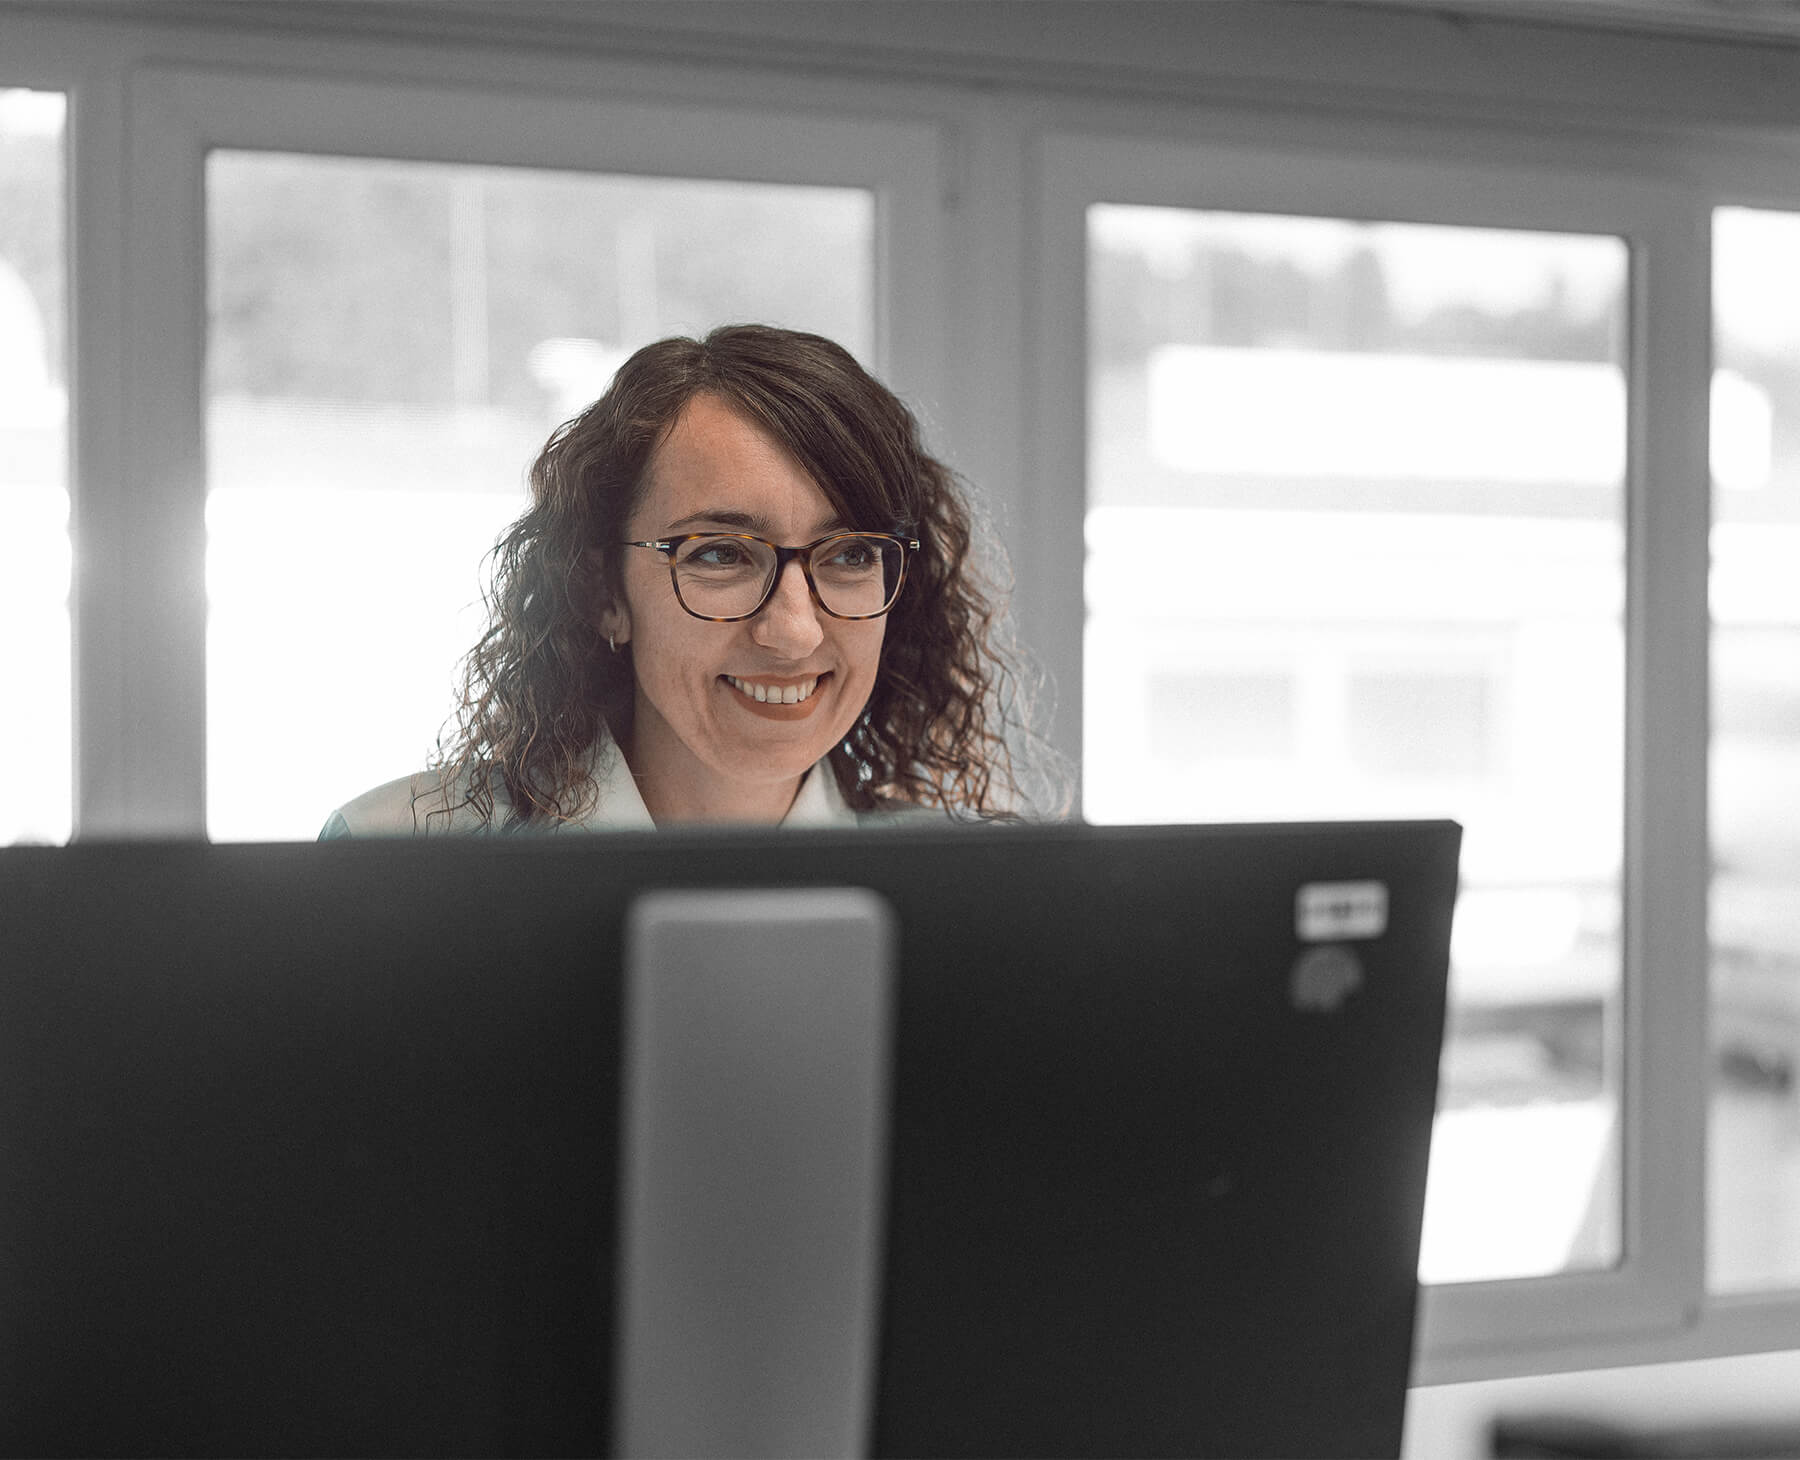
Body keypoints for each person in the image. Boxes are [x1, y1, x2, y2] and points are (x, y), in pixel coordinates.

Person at [320, 324, 1057, 837]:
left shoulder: (978, 894)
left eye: (850, 555)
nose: (794, 631)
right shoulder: (398, 855)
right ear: (604, 591)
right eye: (720, 554)